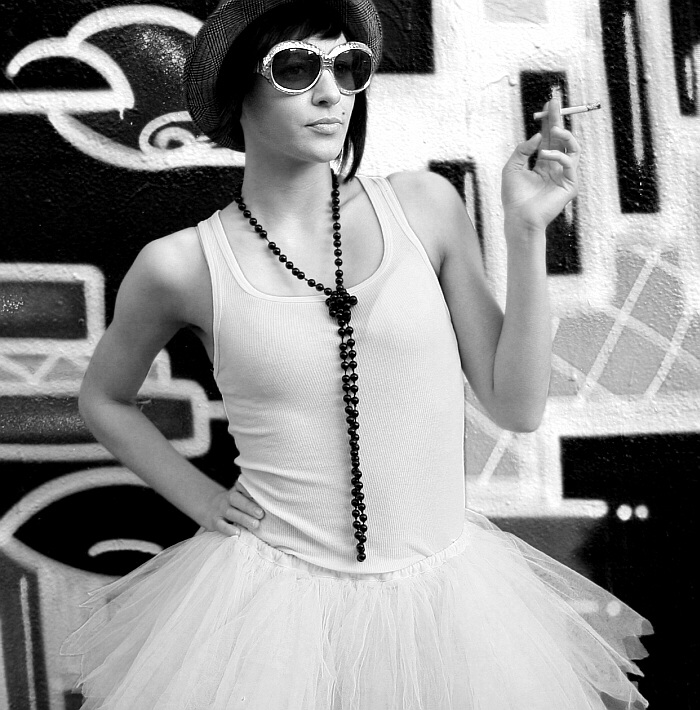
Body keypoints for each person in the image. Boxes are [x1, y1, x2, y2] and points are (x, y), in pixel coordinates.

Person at [61, 0, 652, 707]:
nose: (330, 92)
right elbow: (104, 398)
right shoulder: (181, 265)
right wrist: (201, 498)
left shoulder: (424, 207)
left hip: (446, 605)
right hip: (269, 615)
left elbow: (517, 406)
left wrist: (527, 232)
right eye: (295, 68)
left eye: (347, 66)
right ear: (236, 90)